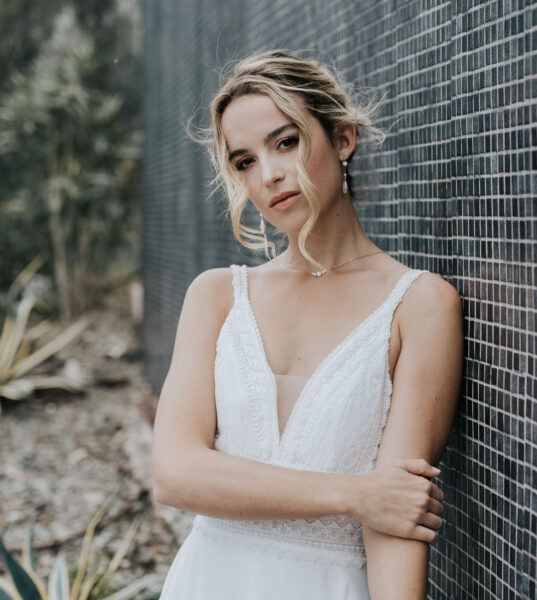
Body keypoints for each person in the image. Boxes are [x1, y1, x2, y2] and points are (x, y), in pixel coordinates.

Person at [151, 49, 464, 599]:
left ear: (343, 138)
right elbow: (176, 472)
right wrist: (352, 494)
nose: (269, 175)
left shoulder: (418, 305)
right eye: (244, 161)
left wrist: (374, 500)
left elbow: (396, 515)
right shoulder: (218, 296)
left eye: (286, 142)